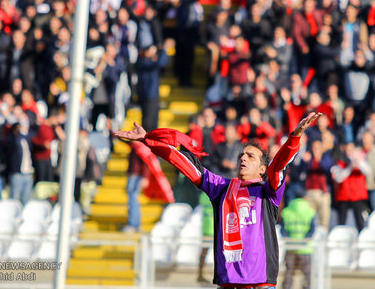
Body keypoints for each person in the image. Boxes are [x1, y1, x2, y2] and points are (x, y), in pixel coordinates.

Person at [113, 111, 321, 288]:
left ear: (263, 169)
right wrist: (148, 140)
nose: (243, 158)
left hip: (260, 283)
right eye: (242, 155)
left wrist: (295, 136)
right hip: (227, 281)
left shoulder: (269, 192)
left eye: (251, 156)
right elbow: (184, 163)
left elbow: (279, 165)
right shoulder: (221, 188)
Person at [280, 194, 317, 289]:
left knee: (288, 274)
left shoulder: (286, 212)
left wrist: (291, 241)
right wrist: (303, 242)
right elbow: (312, 230)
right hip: (305, 249)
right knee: (306, 276)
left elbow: (283, 231)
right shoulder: (310, 211)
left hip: (290, 248)